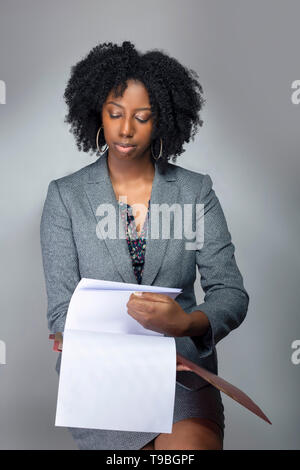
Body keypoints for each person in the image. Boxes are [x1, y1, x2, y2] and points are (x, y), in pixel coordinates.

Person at [40, 41, 249, 450]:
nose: (125, 129)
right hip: (103, 384)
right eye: (115, 113)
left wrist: (187, 324)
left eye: (142, 117)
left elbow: (230, 292)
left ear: (163, 122)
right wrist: (123, 350)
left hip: (181, 375)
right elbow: (62, 312)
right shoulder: (65, 196)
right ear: (97, 113)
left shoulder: (194, 191)